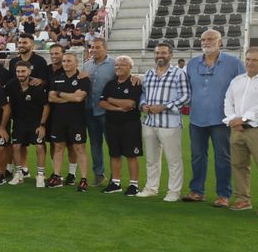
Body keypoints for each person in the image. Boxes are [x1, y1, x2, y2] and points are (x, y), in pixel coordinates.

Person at [184, 29, 244, 207]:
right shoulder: (192, 63)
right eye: (203, 39)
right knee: (197, 156)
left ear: (220, 42)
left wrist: (238, 116)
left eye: (211, 39)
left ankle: (224, 195)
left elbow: (242, 90)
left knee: (222, 157)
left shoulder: (234, 63)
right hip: (196, 119)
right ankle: (196, 191)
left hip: (222, 120)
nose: (206, 42)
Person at [223, 46, 258, 215]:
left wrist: (244, 119)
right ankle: (242, 199)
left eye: (254, 60)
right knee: (238, 165)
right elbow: (228, 100)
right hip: (236, 130)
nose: (250, 63)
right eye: (247, 59)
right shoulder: (237, 80)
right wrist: (233, 119)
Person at [140, 42, 189, 201]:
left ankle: (174, 192)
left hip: (170, 124)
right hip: (149, 123)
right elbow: (143, 94)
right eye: (157, 53)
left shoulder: (178, 73)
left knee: (173, 160)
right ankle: (151, 188)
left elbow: (186, 96)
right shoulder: (148, 73)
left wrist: (164, 107)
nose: (160, 56)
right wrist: (143, 105)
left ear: (170, 55)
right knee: (151, 159)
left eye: (163, 53)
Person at [98, 55, 144, 196]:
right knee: (114, 154)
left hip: (130, 124)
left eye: (122, 64)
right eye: (117, 64)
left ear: (130, 67)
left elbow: (130, 104)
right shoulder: (110, 84)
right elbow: (102, 103)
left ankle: (134, 185)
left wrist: (111, 100)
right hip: (112, 124)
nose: (118, 67)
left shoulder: (135, 83)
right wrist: (117, 107)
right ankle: (115, 183)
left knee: (131, 155)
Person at [46, 51, 91, 191]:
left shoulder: (83, 79)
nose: (66, 63)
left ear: (76, 63)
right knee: (58, 147)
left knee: (79, 148)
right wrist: (70, 96)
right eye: (64, 61)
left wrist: (60, 94)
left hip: (77, 120)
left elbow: (79, 98)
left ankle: (83, 179)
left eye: (69, 61)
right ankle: (57, 176)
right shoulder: (57, 78)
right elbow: (50, 98)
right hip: (58, 119)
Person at [79, 38, 116, 184]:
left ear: (105, 48)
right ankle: (99, 174)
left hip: (107, 112)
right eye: (92, 47)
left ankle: (115, 176)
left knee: (112, 144)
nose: (94, 50)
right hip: (89, 111)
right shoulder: (86, 65)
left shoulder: (114, 64)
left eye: (97, 47)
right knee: (95, 144)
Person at [8, 62, 49, 187]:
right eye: (18, 71)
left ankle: (40, 175)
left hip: (35, 123)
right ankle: (19, 173)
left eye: (23, 71)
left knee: (40, 147)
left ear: (29, 72)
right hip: (19, 122)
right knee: (15, 146)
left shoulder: (37, 87)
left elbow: (46, 106)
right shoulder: (12, 85)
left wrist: (42, 125)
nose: (20, 74)